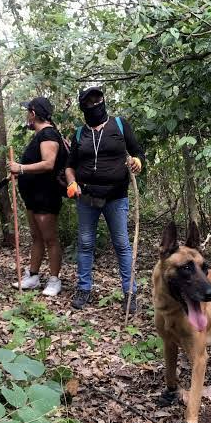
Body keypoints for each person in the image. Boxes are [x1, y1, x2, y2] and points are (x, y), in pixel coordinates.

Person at [65, 87, 144, 312]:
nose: (95, 104)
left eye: (98, 99)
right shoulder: (80, 133)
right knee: (86, 244)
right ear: (83, 107)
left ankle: (130, 293)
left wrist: (138, 161)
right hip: (86, 197)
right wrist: (72, 182)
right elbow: (70, 166)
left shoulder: (119, 125)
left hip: (116, 197)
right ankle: (84, 289)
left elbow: (138, 150)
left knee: (121, 244)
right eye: (89, 101)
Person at [8, 97, 66, 296]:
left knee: (50, 238)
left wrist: (21, 168)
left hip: (45, 196)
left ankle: (54, 279)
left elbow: (49, 163)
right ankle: (33, 276)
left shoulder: (48, 134)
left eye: (27, 112)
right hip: (34, 197)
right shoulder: (41, 134)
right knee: (36, 238)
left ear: (33, 114)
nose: (26, 116)